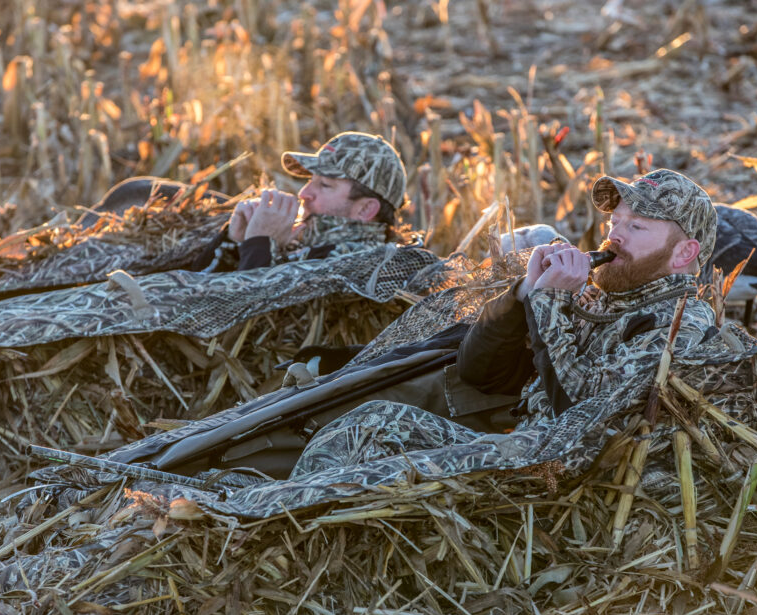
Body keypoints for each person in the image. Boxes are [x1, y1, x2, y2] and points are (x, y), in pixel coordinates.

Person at [291, 169, 720, 477]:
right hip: (517, 441)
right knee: (361, 424)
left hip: (545, 470)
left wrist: (549, 302)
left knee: (372, 427)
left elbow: (584, 418)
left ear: (684, 254)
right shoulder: (598, 295)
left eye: (637, 226)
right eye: (615, 222)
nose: (613, 237)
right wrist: (521, 297)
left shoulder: (679, 323)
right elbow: (477, 372)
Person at [82, 131, 408, 272]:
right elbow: (201, 291)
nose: (304, 194)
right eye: (308, 181)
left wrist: (259, 243)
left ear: (366, 210)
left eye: (325, 185)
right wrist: (232, 240)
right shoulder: (310, 241)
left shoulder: (356, 263)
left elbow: (245, 320)